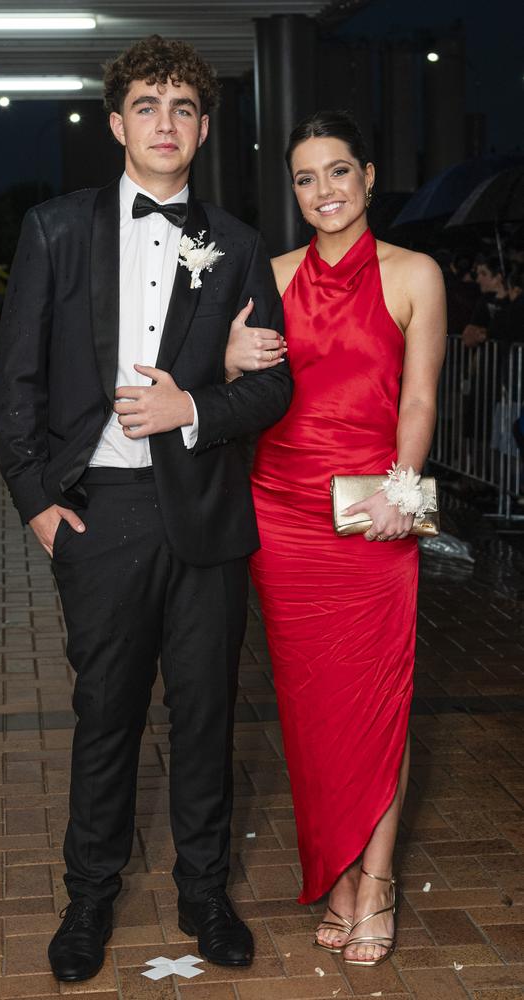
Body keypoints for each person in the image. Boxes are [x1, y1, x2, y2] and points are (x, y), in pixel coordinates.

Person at [0, 34, 292, 984]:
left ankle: (206, 896)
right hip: (100, 513)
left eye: (185, 109)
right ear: (118, 123)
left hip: (204, 513)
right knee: (105, 714)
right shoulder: (55, 227)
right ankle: (89, 900)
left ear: (202, 130)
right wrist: (38, 503)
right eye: (149, 107)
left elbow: (271, 390)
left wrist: (194, 404)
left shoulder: (239, 247)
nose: (167, 123)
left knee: (206, 716)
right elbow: (16, 381)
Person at [226, 109, 446, 966]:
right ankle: (342, 871)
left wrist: (403, 484)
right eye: (306, 177)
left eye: (339, 172)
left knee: (377, 702)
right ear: (294, 189)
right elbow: (242, 385)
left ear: (368, 176)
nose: (324, 191)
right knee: (311, 709)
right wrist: (232, 359)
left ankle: (380, 877)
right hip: (279, 513)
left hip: (372, 511)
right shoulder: (269, 274)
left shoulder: (414, 273)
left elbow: (419, 397)